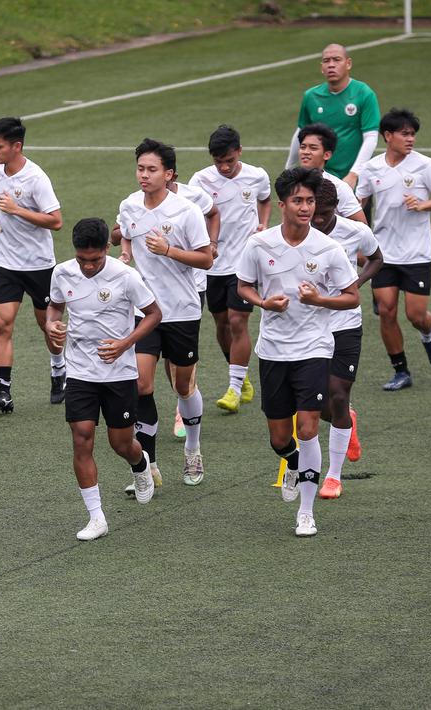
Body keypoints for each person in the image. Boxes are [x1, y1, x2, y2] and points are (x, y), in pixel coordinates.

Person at [236, 167, 359, 537]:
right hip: (273, 350)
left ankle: (306, 512)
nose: (305, 208)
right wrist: (262, 303)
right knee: (279, 437)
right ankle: (291, 462)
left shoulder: (328, 249)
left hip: (314, 348)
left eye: (310, 201)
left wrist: (320, 299)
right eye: (298, 201)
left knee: (307, 429)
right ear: (282, 204)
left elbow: (352, 296)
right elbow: (242, 286)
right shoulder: (259, 245)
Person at [46, 218, 161, 541]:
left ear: (107, 250)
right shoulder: (62, 273)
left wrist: (126, 343)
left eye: (94, 260)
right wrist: (52, 326)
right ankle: (96, 517)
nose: (87, 266)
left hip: (119, 373)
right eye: (82, 259)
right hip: (81, 370)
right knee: (82, 437)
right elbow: (55, 309)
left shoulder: (126, 276)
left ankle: (140, 464)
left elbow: (154, 313)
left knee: (120, 442)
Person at [117, 139, 213, 489]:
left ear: (169, 174)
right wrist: (126, 254)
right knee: (142, 385)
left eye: (152, 169)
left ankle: (192, 448)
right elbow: (126, 234)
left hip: (182, 310)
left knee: (183, 385)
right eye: (140, 168)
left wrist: (169, 250)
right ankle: (148, 465)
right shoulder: (129, 206)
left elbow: (206, 259)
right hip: (146, 311)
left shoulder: (185, 211)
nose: (144, 175)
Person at [357, 109, 431, 391]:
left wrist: (424, 205)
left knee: (415, 315)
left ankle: (429, 335)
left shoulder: (425, 164)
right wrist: (359, 239)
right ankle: (401, 370)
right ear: (388, 136)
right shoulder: (372, 168)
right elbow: (359, 204)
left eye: (413, 134)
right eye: (405, 134)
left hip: (416, 252)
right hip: (384, 253)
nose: (411, 139)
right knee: (386, 311)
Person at [0, 116, 65, 413]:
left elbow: (56, 220)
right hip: (6, 262)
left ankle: (58, 368)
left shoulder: (36, 178)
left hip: (39, 264)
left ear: (16, 146)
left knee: (48, 325)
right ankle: (4, 391)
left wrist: (18, 210)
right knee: (2, 323)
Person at [189, 125, 271, 413]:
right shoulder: (200, 180)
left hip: (244, 263)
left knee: (238, 322)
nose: (224, 167)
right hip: (212, 266)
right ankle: (242, 376)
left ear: (239, 152)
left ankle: (234, 389)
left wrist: (263, 224)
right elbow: (191, 214)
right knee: (221, 324)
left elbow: (265, 198)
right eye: (218, 161)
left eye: (229, 160)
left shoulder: (257, 175)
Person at [311, 179, 382, 500]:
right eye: (314, 212)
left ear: (335, 209)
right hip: (308, 326)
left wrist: (355, 282)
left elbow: (377, 258)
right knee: (317, 402)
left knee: (338, 395)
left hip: (345, 322)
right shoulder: (298, 232)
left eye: (325, 214)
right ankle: (346, 422)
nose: (318, 220)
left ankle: (333, 476)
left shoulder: (356, 232)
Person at [286, 43, 380, 190]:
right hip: (319, 179)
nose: (331, 65)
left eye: (336, 60)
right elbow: (300, 133)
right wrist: (289, 168)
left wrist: (354, 174)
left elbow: (371, 137)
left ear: (348, 64)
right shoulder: (311, 96)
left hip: (352, 180)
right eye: (326, 61)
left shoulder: (364, 94)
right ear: (321, 67)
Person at [296, 123, 363, 221]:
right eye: (303, 147)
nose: (305, 152)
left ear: (327, 155)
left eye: (313, 148)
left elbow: (362, 228)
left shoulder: (339, 188)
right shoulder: (291, 183)